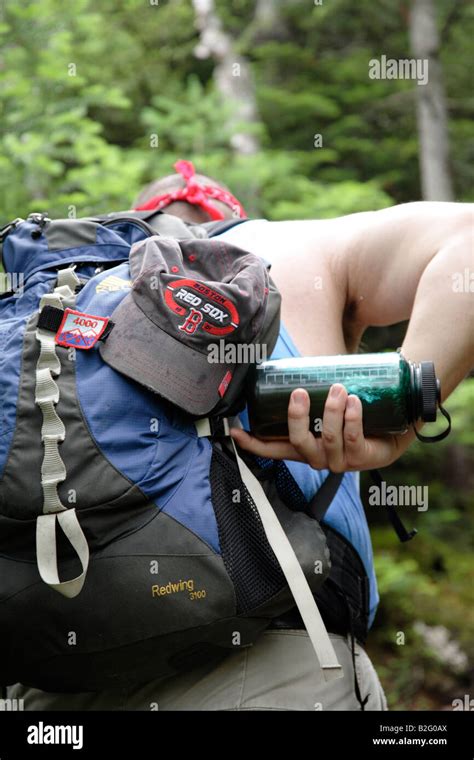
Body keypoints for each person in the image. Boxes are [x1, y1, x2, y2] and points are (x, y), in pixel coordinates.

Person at [8, 162, 473, 711]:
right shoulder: (276, 247)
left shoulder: (38, 314)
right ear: (225, 222)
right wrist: (408, 410)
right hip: (273, 662)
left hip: (47, 684)